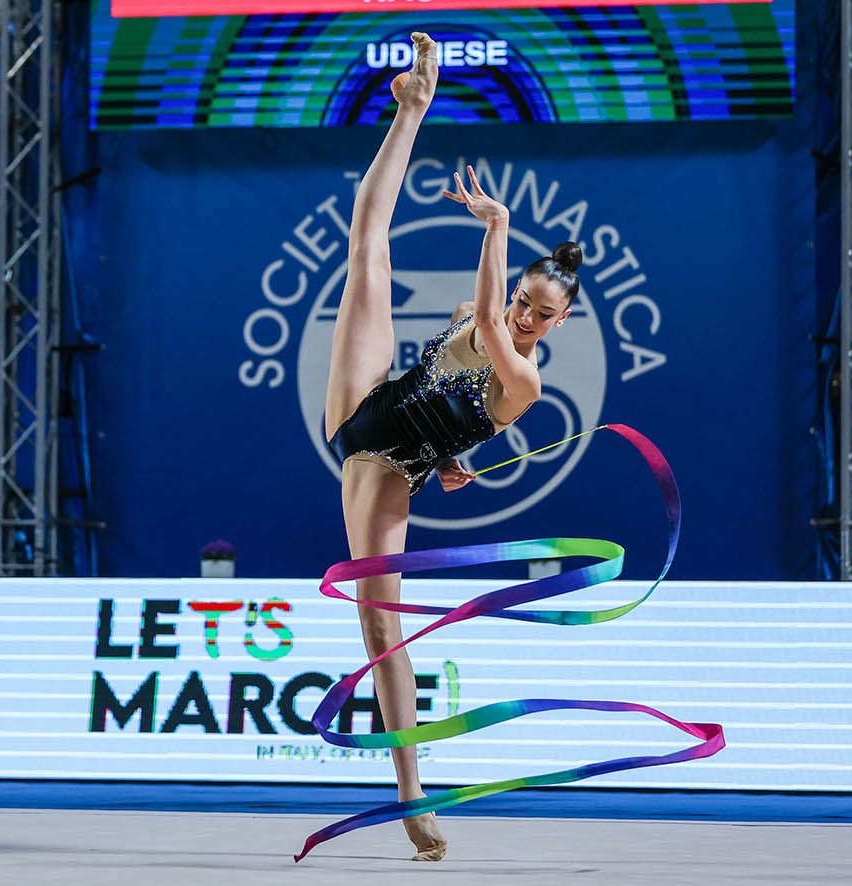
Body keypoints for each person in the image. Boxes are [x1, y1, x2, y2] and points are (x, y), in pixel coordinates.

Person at [323, 31, 582, 862]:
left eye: (543, 314)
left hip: (379, 465)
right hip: (369, 404)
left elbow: (486, 352)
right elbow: (450, 386)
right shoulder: (489, 317)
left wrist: (496, 229)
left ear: (559, 324)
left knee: (382, 628)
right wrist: (451, 459)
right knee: (370, 242)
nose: (524, 316)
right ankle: (410, 109)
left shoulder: (527, 380)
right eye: (522, 302)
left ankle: (412, 792)